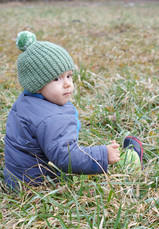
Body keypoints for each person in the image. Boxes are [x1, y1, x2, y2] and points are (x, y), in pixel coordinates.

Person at [4, 31, 143, 191]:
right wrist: (103, 155)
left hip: (16, 179)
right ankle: (129, 167)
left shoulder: (26, 101)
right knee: (93, 165)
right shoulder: (52, 118)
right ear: (37, 84)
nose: (68, 84)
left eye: (69, 75)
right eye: (56, 78)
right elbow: (65, 157)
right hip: (40, 184)